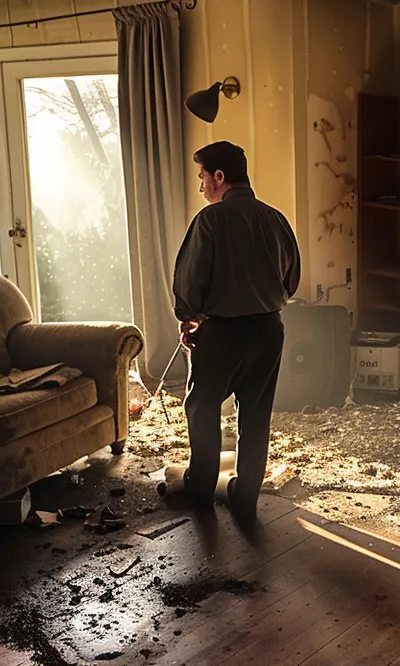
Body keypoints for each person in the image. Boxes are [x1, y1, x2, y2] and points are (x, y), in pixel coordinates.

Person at [172, 141, 300, 518]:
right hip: (269, 330)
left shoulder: (210, 221)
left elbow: (190, 282)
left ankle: (201, 490)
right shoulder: (276, 219)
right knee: (256, 415)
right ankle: (245, 495)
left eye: (202, 177)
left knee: (202, 406)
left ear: (219, 176)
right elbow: (291, 280)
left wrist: (189, 317)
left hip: (223, 333)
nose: (201, 186)